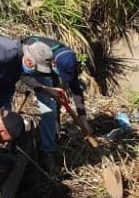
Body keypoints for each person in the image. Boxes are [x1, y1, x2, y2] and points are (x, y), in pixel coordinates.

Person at [19, 36, 92, 172]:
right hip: (33, 64)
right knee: (49, 104)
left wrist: (83, 119)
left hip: (48, 67)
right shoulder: (36, 53)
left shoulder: (68, 59)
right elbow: (23, 76)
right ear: (53, 65)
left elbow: (76, 89)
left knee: (54, 100)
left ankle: (54, 135)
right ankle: (47, 151)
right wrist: (45, 89)